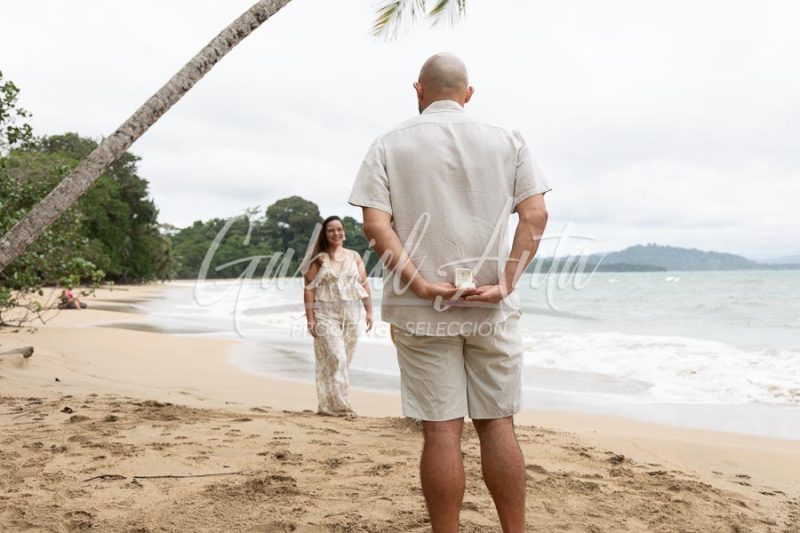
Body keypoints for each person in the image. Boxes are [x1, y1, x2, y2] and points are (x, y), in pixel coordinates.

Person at [348, 53, 551, 532]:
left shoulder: (387, 144)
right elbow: (536, 215)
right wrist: (505, 283)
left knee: (441, 430)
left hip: (421, 310)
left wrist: (418, 282)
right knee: (498, 424)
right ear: (469, 93)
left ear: (417, 90)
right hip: (491, 309)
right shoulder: (509, 141)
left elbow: (375, 223)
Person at [302, 215, 373, 418]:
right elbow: (309, 290)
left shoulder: (354, 257)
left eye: (339, 229)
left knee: (343, 361)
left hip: (351, 314)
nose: (336, 233)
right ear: (325, 234)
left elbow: (364, 284)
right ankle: (342, 407)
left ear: (344, 232)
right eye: (331, 230)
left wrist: (369, 311)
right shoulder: (318, 259)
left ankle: (327, 405)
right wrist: (310, 318)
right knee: (336, 358)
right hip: (325, 314)